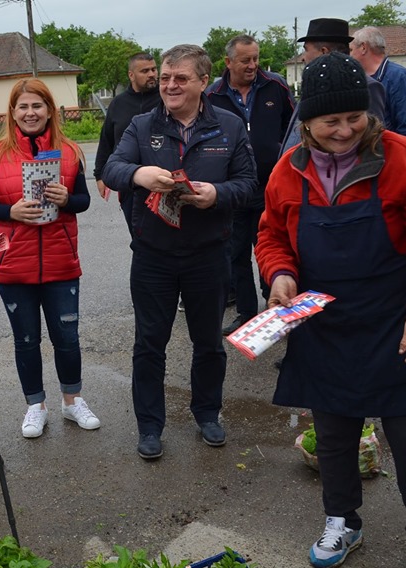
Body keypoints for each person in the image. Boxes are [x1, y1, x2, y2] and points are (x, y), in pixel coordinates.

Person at [255, 52, 406, 568]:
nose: (346, 130)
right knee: (334, 432)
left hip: (400, 319)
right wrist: (279, 275)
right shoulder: (288, 170)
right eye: (332, 121)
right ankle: (342, 521)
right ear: (307, 124)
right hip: (325, 322)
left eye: (356, 118)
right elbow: (272, 235)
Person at [101, 44, 258, 460]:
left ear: (204, 81)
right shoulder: (141, 124)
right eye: (166, 77)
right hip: (153, 255)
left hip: (208, 255)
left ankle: (207, 413)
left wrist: (216, 194)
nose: (169, 85)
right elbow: (111, 169)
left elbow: (249, 184)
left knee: (208, 343)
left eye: (180, 78)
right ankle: (150, 426)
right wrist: (138, 173)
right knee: (149, 344)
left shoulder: (228, 125)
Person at [0, 78, 100, 439]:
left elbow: (84, 201)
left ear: (49, 111)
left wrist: (65, 199)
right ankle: (35, 406)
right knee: (26, 340)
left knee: (67, 338)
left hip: (61, 262)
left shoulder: (71, 151)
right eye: (23, 106)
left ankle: (72, 401)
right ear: (12, 112)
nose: (30, 113)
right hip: (14, 264)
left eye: (37, 106)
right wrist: (10, 211)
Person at [206, 34, 294, 336]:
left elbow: (292, 127)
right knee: (237, 255)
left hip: (272, 189)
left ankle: (277, 312)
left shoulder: (276, 86)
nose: (253, 65)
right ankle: (246, 314)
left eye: (256, 58)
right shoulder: (212, 95)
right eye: (246, 60)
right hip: (233, 191)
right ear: (228, 62)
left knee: (272, 251)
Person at [281, 18, 387, 155]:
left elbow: (372, 142)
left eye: (306, 50)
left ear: (324, 51)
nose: (302, 58)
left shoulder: (366, 87)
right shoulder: (314, 84)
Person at [93, 52, 161, 236]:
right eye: (145, 71)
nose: (152, 74)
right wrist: (100, 175)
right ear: (131, 75)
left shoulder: (166, 99)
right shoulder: (118, 103)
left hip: (161, 180)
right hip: (129, 182)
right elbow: (106, 140)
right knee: (138, 237)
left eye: (154, 69)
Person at [350, 26, 406, 142]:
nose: (349, 56)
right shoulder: (359, 78)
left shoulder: (398, 77)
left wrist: (400, 156)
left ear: (363, 47)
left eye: (351, 50)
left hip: (389, 153)